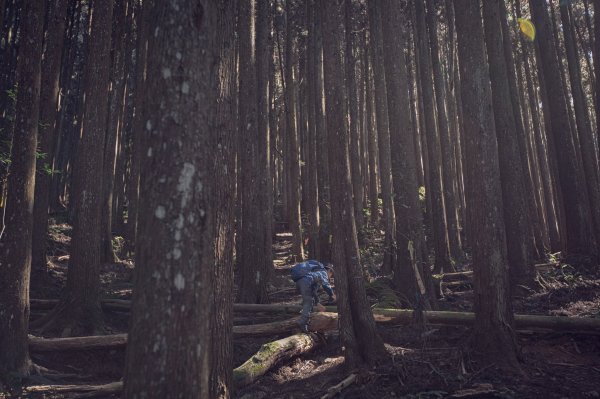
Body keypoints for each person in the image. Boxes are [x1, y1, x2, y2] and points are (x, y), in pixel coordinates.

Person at [290, 260, 336, 333]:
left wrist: (318, 303)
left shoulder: (314, 273)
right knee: (308, 302)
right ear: (329, 270)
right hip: (305, 282)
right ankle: (302, 323)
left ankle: (308, 322)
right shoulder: (323, 272)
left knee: (309, 300)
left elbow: (313, 292)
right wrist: (332, 295)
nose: (330, 277)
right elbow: (326, 285)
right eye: (331, 274)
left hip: (299, 282)